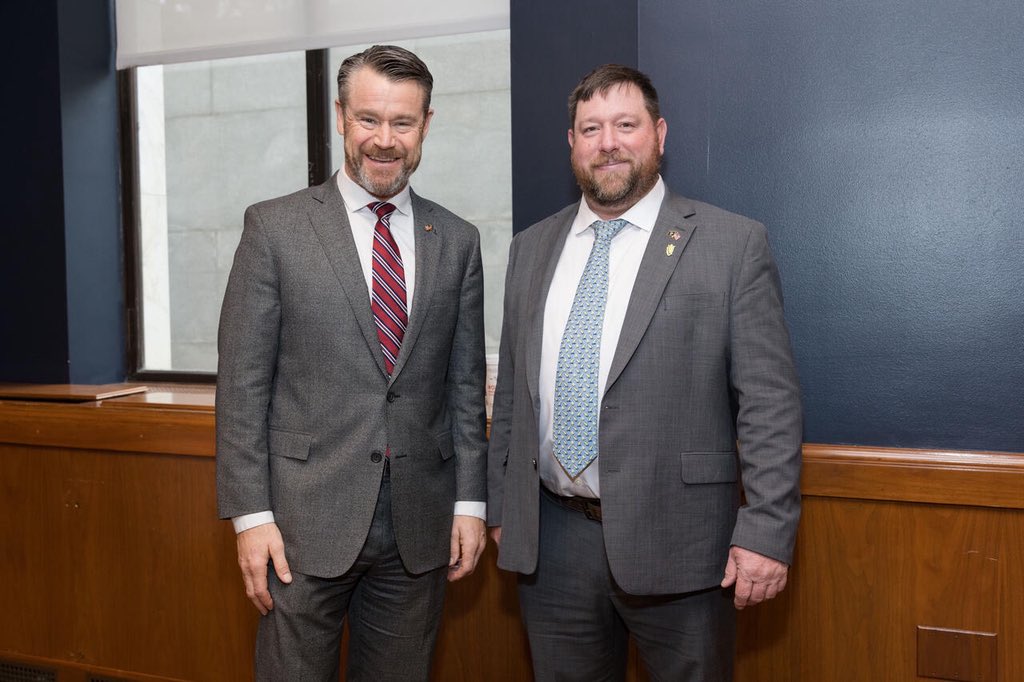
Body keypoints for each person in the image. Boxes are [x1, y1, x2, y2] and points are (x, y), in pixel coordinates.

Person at [486, 64, 802, 681]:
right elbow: (517, 397)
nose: (608, 143)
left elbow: (770, 404)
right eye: (591, 129)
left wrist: (767, 529)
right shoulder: (531, 248)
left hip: (686, 545)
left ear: (659, 134)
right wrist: (502, 508)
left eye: (626, 125)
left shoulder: (731, 244)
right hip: (552, 544)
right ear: (571, 143)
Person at [216, 45, 488, 681]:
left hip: (420, 527)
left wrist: (471, 504)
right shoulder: (274, 229)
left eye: (402, 122)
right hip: (299, 527)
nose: (384, 140)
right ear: (340, 117)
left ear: (426, 124)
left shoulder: (458, 240)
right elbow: (242, 388)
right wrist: (250, 518)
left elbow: (465, 386)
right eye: (369, 119)